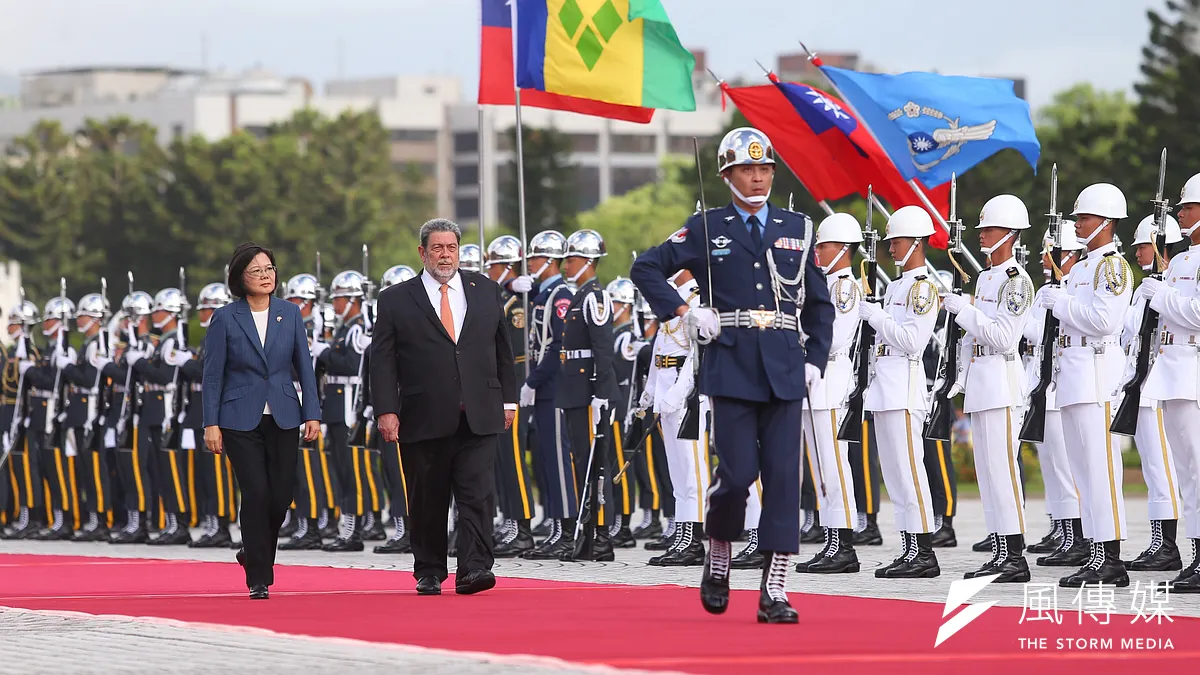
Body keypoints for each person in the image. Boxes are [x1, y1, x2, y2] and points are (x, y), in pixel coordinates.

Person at [632, 126, 834, 624]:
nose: (759, 177)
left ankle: (776, 588)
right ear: (727, 174)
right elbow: (645, 268)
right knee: (737, 475)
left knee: (786, 480)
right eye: (748, 168)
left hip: (786, 368)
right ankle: (719, 551)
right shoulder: (706, 227)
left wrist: (815, 361)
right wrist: (681, 312)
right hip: (733, 366)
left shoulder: (798, 226)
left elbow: (820, 306)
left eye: (765, 168)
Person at [370, 218, 518, 597]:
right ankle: (430, 569)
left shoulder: (485, 290)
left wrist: (509, 399)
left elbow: (502, 350)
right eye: (437, 248)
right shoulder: (395, 300)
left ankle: (474, 568)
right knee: (427, 498)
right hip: (423, 415)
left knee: (476, 494)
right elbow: (382, 361)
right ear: (422, 252)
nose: (445, 255)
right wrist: (386, 410)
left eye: (451, 247)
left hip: (479, 411)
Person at [202, 242, 321, 600]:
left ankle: (251, 552)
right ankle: (259, 576)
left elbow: (304, 367)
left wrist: (312, 412)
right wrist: (211, 423)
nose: (266, 276)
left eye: (269, 269)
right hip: (239, 417)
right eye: (257, 271)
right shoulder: (225, 317)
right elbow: (212, 375)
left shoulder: (290, 313)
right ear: (240, 278)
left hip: (284, 414)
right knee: (256, 492)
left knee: (281, 494)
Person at [1038, 183, 1132, 587]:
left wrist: (1059, 303)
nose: (1078, 223)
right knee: (1082, 472)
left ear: (1106, 223)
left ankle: (1110, 557)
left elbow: (1105, 322)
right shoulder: (1079, 268)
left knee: (1101, 470)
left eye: (1085, 217)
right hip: (1074, 374)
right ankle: (1096, 553)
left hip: (1096, 375)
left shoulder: (1111, 266)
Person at [941, 194, 1035, 582]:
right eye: (981, 228)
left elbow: (1002, 337)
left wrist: (964, 310)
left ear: (1009, 234)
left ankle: (1015, 556)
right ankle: (999, 550)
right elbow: (972, 338)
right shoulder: (985, 277)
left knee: (1003, 470)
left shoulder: (1018, 281)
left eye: (990, 228)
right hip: (981, 382)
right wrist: (960, 375)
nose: (981, 234)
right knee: (987, 471)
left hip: (1001, 382)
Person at [858, 205, 941, 579]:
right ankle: (909, 548)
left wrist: (875, 316)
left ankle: (924, 551)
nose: (891, 247)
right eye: (891, 241)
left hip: (904, 389)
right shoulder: (896, 286)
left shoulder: (923, 288)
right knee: (893, 474)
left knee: (910, 471)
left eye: (899, 241)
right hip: (885, 387)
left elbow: (912, 341)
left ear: (917, 244)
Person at [1141, 172, 1200, 593]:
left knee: (1198, 469)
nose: (1180, 214)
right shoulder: (1179, 260)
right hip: (1172, 373)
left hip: (1193, 372)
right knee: (1186, 472)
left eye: (1188, 207)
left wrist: (1162, 297)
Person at [795, 212, 863, 574]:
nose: (817, 251)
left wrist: (800, 334)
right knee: (821, 469)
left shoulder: (845, 288)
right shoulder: (823, 286)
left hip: (832, 380)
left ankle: (844, 546)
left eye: (823, 245)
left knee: (836, 468)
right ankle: (832, 541)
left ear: (843, 248)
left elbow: (834, 338)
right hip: (815, 383)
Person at [1120, 213, 1184, 571]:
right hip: (1140, 385)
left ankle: (1167, 545)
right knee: (1151, 467)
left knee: (1163, 468)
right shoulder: (1143, 287)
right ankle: (1159, 540)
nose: (1139, 253)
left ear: (1162, 247)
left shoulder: (1172, 283)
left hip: (1161, 384)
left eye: (1143, 246)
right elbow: (1128, 332)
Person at [555, 229, 621, 563]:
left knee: (597, 464)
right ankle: (589, 532)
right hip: (574, 392)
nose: (567, 265)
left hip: (587, 392)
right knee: (583, 462)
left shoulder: (595, 297)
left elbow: (603, 350)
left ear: (588, 262)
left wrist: (601, 392)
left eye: (572, 259)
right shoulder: (580, 296)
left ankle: (602, 537)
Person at [513, 230, 579, 560]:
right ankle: (555, 528)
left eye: (535, 260)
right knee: (545, 461)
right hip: (543, 388)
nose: (531, 265)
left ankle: (566, 531)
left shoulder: (561, 296)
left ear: (548, 261)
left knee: (557, 460)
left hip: (553, 387)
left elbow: (558, 345)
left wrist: (534, 380)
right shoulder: (542, 293)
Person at [1027, 223, 1088, 567]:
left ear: (1067, 255)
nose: (1042, 258)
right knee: (1052, 468)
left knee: (1066, 468)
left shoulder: (1072, 288)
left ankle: (1078, 537)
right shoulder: (1045, 290)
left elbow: (1044, 332)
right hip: (1044, 387)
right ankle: (1066, 534)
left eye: (1049, 251)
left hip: (1061, 384)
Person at [641, 270, 708, 567]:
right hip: (666, 389)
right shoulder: (670, 299)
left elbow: (697, 354)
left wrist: (679, 392)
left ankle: (693, 539)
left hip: (687, 394)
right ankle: (681, 537)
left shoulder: (698, 300)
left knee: (692, 469)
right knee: (677, 473)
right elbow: (660, 348)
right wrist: (651, 389)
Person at [484, 234, 537, 557]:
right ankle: (511, 522)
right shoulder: (503, 300)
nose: (489, 272)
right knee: (503, 461)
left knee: (514, 461)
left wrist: (511, 394)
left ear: (505, 268)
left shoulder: (517, 306)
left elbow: (517, 355)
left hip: (513, 389)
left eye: (493, 267)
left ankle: (522, 528)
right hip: (500, 389)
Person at [315, 269, 372, 552]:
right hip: (337, 407)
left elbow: (352, 366)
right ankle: (345, 526)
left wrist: (323, 353)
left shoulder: (358, 328)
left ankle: (354, 531)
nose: (335, 304)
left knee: (352, 472)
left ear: (352, 300)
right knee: (340, 470)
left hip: (350, 406)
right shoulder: (344, 328)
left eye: (339, 299)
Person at [185, 282, 238, 549]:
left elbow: (211, 371)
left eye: (206, 308)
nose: (202, 314)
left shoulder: (224, 334)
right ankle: (213, 523)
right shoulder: (211, 336)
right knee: (207, 472)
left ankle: (221, 524)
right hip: (206, 411)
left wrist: (187, 363)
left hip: (221, 411)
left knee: (218, 472)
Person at [61, 291, 114, 542]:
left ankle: (101, 519)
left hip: (91, 413)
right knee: (85, 471)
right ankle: (93, 518)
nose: (78, 320)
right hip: (81, 412)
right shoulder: (89, 344)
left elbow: (90, 380)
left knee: (95, 471)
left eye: (82, 316)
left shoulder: (98, 344)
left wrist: (68, 367)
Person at [373, 264, 417, 555]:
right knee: (392, 471)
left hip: (408, 403)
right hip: (390, 404)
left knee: (404, 472)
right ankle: (402, 528)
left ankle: (409, 530)